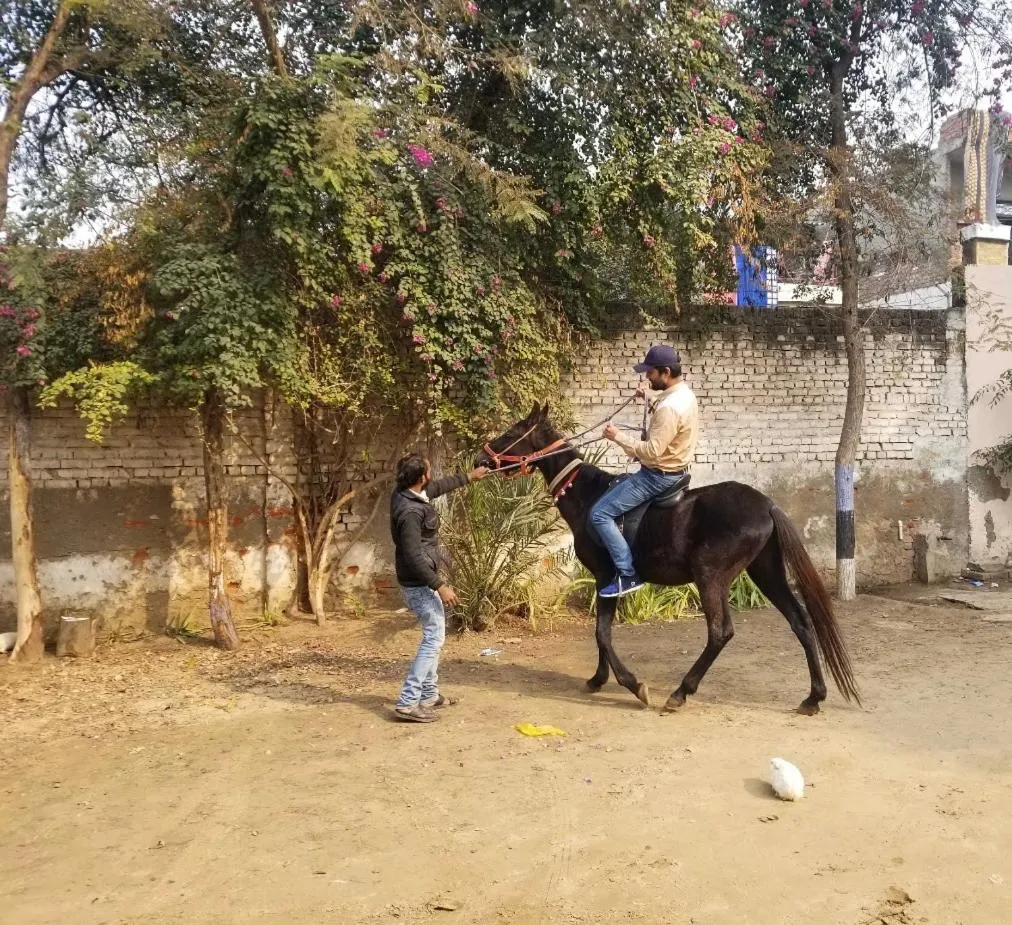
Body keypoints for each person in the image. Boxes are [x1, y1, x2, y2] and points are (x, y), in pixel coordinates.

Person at [591, 344, 699, 598]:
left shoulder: (668, 408)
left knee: (599, 514)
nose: (647, 377)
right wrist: (650, 398)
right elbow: (668, 420)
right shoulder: (685, 395)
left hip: (657, 477)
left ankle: (627, 574)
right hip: (677, 470)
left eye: (651, 372)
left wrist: (617, 437)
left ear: (665, 372)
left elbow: (651, 452)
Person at [389, 453, 489, 722]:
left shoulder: (407, 492)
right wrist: (440, 586)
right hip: (419, 582)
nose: (432, 474)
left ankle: (429, 695)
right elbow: (413, 555)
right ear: (422, 477)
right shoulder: (410, 512)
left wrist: (470, 477)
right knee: (433, 638)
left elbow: (437, 487)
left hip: (421, 580)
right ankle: (408, 702)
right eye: (429, 470)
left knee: (434, 634)